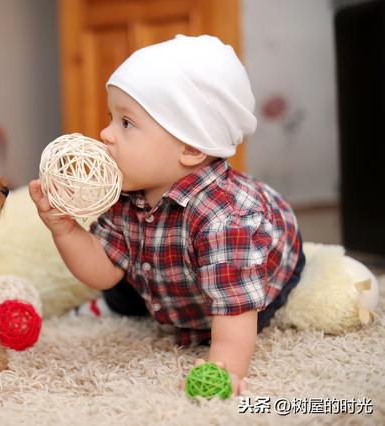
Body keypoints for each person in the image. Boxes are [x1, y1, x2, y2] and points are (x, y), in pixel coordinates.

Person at [29, 35, 305, 395]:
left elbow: (235, 314)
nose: (105, 133)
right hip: (169, 276)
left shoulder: (226, 222)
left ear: (190, 148)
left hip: (253, 278)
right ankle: (124, 304)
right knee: (127, 287)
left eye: (126, 123)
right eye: (111, 117)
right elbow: (104, 268)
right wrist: (64, 228)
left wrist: (224, 368)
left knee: (242, 315)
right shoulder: (128, 193)